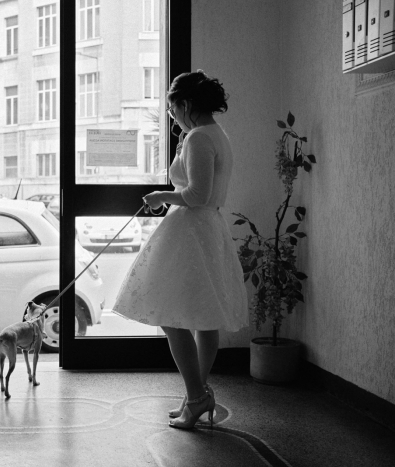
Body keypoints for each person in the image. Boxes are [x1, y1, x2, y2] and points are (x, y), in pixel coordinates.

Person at [113, 70, 248, 429]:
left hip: (191, 231)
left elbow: (196, 196)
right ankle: (196, 395)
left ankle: (197, 395)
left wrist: (160, 195)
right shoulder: (217, 135)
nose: (172, 118)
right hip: (209, 230)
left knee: (172, 319)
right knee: (204, 319)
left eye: (173, 111)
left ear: (186, 105)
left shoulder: (199, 138)